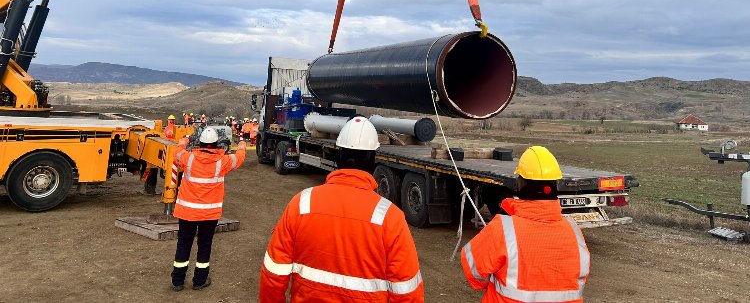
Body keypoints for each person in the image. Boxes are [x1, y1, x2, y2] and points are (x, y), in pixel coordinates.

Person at [259, 117, 424, 302]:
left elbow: (273, 275)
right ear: (373, 159)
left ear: (337, 156)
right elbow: (407, 292)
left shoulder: (301, 204)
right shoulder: (390, 218)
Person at [461, 146, 590, 303]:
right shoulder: (573, 229)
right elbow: (580, 276)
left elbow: (473, 272)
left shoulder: (503, 228)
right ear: (556, 184)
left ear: (520, 183)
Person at [170, 127, 247, 291]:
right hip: (209, 214)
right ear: (216, 144)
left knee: (183, 244)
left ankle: (177, 281)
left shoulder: (188, 158)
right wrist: (241, 142)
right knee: (204, 245)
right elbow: (240, 157)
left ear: (200, 142)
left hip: (187, 212)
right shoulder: (223, 162)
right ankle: (199, 281)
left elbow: (177, 151)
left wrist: (185, 139)